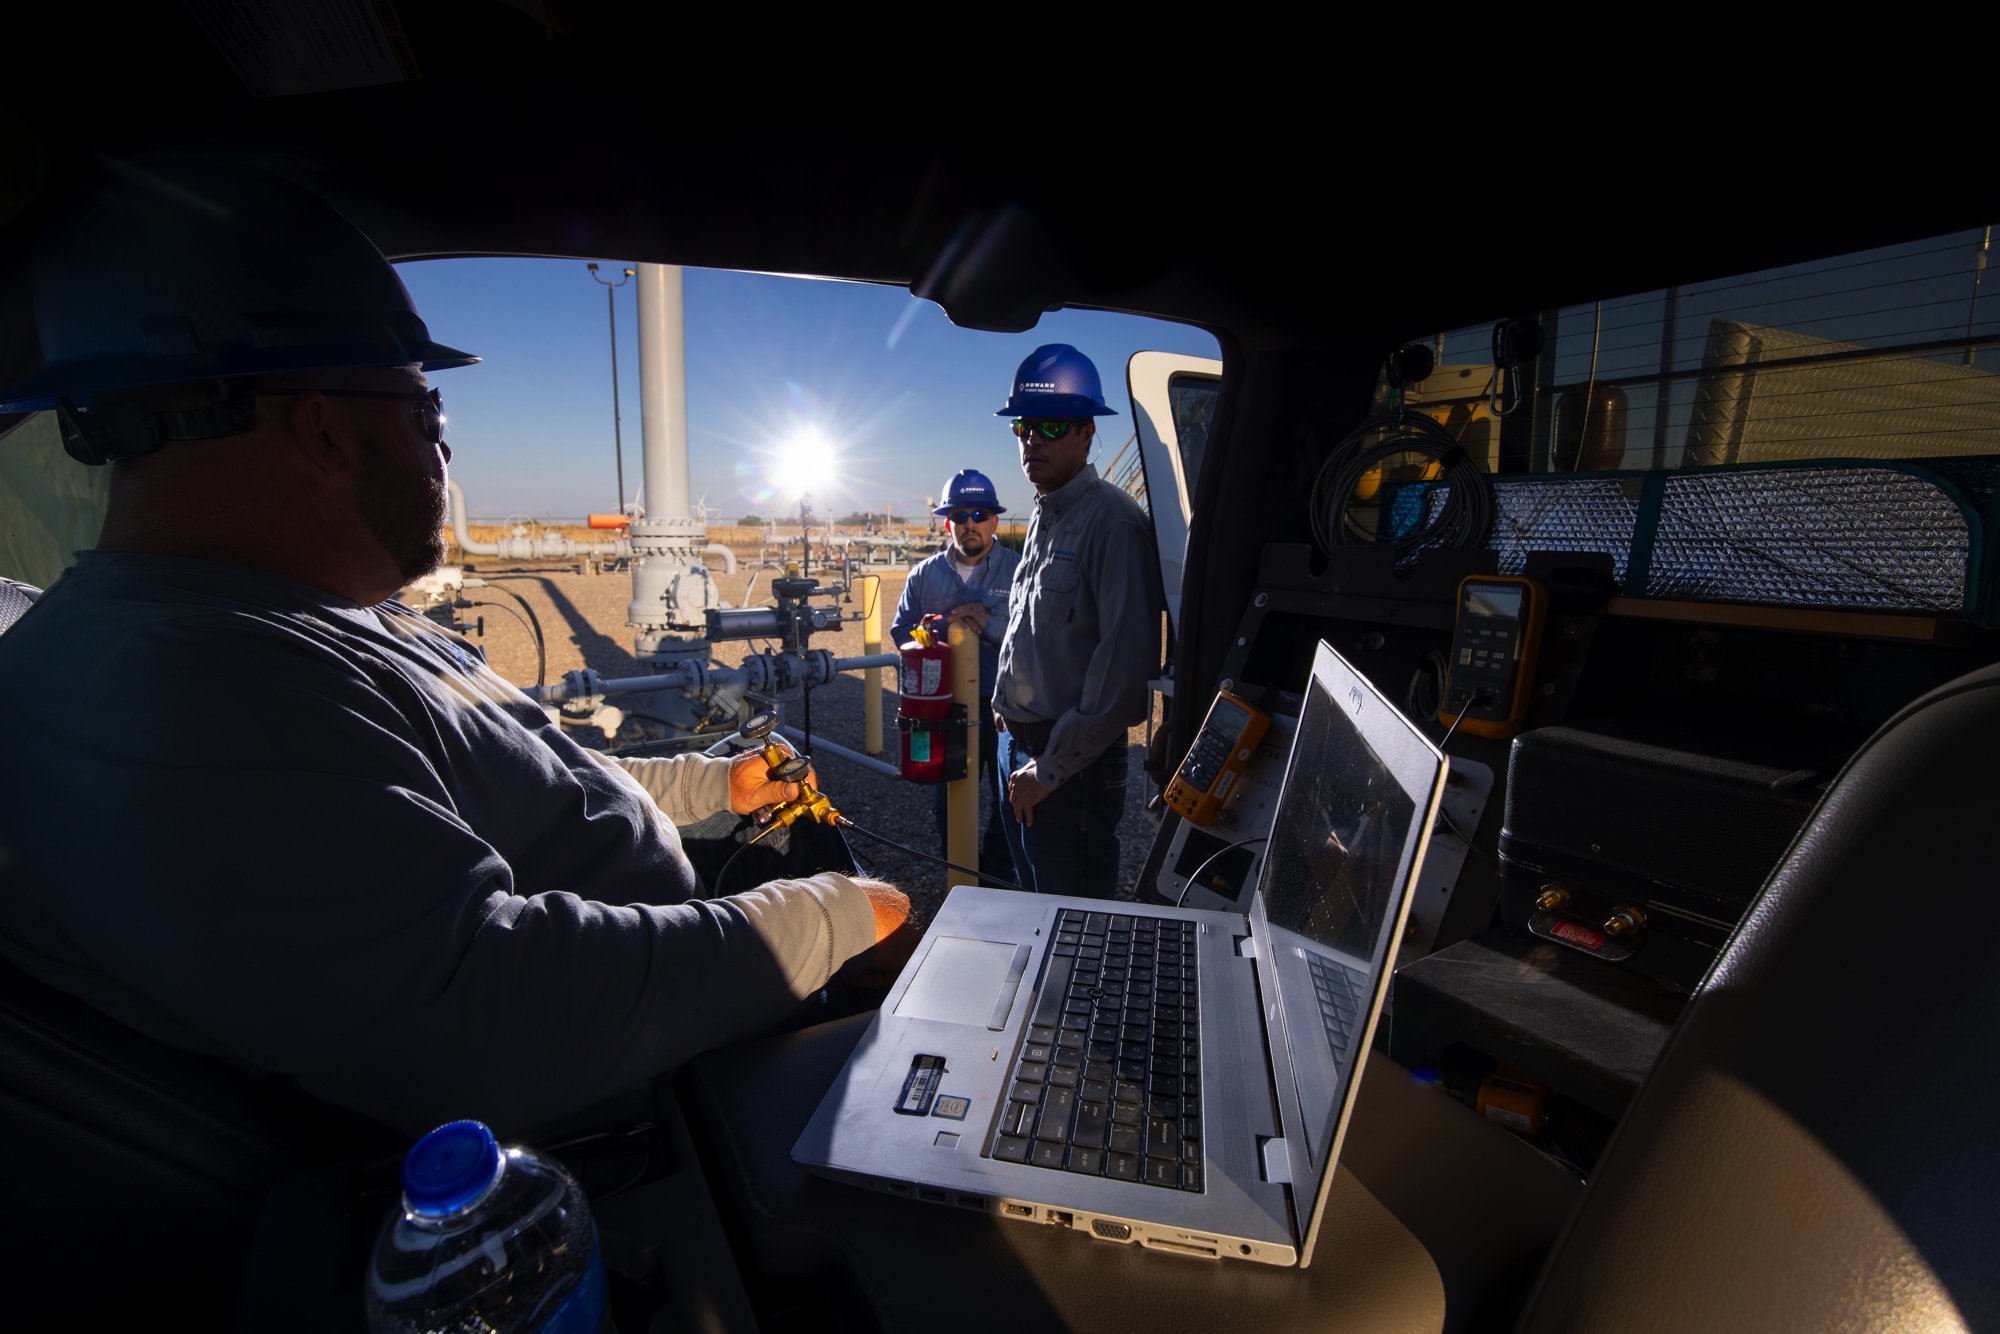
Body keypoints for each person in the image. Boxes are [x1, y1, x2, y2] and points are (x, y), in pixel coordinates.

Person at [0, 164, 916, 1139]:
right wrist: (827, 920)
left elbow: (526, 780)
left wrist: (702, 784)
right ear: (325, 430)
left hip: (673, 951)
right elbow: (494, 1014)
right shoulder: (171, 691)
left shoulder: (304, 616)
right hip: (659, 1101)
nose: (445, 456)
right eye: (425, 414)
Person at [990, 344, 1164, 899]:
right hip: (1018, 750)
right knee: (1034, 904)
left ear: (1086, 432)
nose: (1032, 440)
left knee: (1073, 924)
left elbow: (1122, 679)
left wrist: (1047, 769)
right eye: (1023, 427)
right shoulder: (1047, 513)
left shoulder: (1112, 525)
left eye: (1051, 425)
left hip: (1067, 769)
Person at [889, 469, 1020, 882]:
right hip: (944, 710)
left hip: (1003, 708)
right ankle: (961, 875)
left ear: (994, 521)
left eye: (979, 514)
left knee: (1009, 799)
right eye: (960, 516)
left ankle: (996, 875)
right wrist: (940, 627)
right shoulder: (925, 575)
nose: (970, 524)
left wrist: (989, 621)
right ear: (948, 523)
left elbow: (1036, 635)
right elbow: (900, 629)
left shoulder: (1018, 571)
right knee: (946, 801)